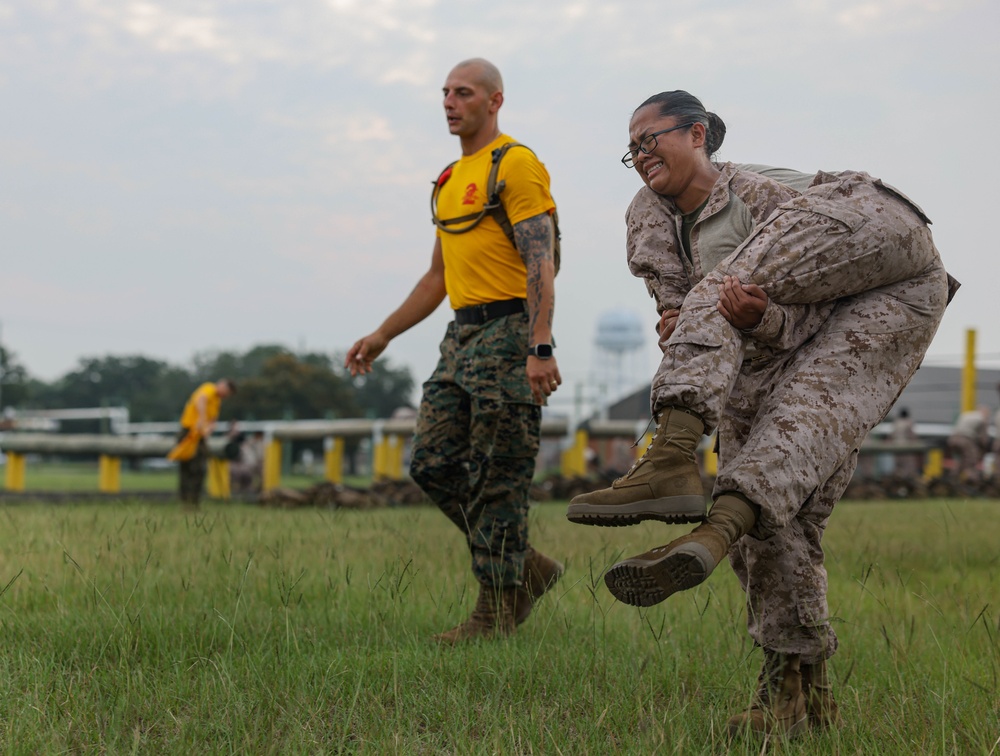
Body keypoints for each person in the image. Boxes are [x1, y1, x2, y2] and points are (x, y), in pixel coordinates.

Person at [567, 90, 955, 737]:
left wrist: (756, 315)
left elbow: (805, 310)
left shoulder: (762, 197)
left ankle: (670, 459)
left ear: (697, 135)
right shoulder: (647, 217)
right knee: (778, 510)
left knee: (716, 298)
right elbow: (683, 308)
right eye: (629, 148)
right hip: (765, 354)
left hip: (887, 261)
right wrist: (686, 317)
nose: (639, 155)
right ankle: (800, 699)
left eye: (649, 139)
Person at [345, 58, 563, 644]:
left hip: (509, 332)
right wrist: (383, 334)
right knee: (431, 463)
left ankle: (494, 611)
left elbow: (541, 260)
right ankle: (527, 566)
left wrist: (539, 345)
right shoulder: (447, 180)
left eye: (462, 93)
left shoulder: (514, 165)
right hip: (459, 338)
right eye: (444, 93)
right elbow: (436, 277)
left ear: (494, 101)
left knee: (500, 475)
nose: (449, 102)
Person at [168, 378, 236, 504]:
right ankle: (186, 500)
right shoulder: (209, 388)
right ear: (222, 385)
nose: (226, 395)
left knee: (199, 468)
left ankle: (193, 500)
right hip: (189, 432)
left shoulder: (217, 401)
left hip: (200, 437)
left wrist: (209, 428)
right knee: (188, 468)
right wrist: (202, 419)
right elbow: (201, 399)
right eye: (227, 392)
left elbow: (213, 420)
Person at [945, 406, 990, 484]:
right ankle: (972, 481)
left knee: (961, 460)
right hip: (965, 439)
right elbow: (983, 439)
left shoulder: (966, 415)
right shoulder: (982, 419)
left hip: (953, 439)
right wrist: (983, 450)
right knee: (971, 459)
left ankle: (952, 478)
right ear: (985, 413)